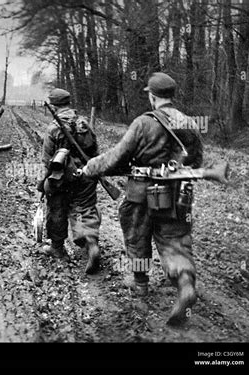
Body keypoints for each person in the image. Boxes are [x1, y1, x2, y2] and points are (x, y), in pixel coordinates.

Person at [81, 72, 203, 326]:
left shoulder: (143, 123)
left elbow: (117, 156)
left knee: (137, 237)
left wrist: (91, 167)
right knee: (175, 242)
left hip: (141, 194)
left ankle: (140, 285)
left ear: (152, 96)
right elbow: (196, 160)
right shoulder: (189, 123)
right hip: (177, 195)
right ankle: (185, 284)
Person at [38, 88, 102, 274]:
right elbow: (95, 153)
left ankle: (57, 249)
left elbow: (46, 160)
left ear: (53, 105)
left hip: (61, 177)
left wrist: (44, 184)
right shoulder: (85, 124)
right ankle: (91, 243)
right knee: (84, 208)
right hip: (85, 175)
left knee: (57, 208)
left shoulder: (53, 128)